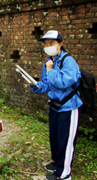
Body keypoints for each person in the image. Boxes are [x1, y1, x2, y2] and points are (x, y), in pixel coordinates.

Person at [29, 30, 82, 180]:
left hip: (69, 107)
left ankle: (64, 175)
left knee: (65, 140)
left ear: (60, 44)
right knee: (55, 137)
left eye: (51, 43)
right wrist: (33, 84)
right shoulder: (49, 62)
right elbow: (47, 85)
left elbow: (64, 82)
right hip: (55, 106)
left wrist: (50, 70)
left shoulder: (68, 61)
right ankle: (57, 162)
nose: (47, 46)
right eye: (45, 44)